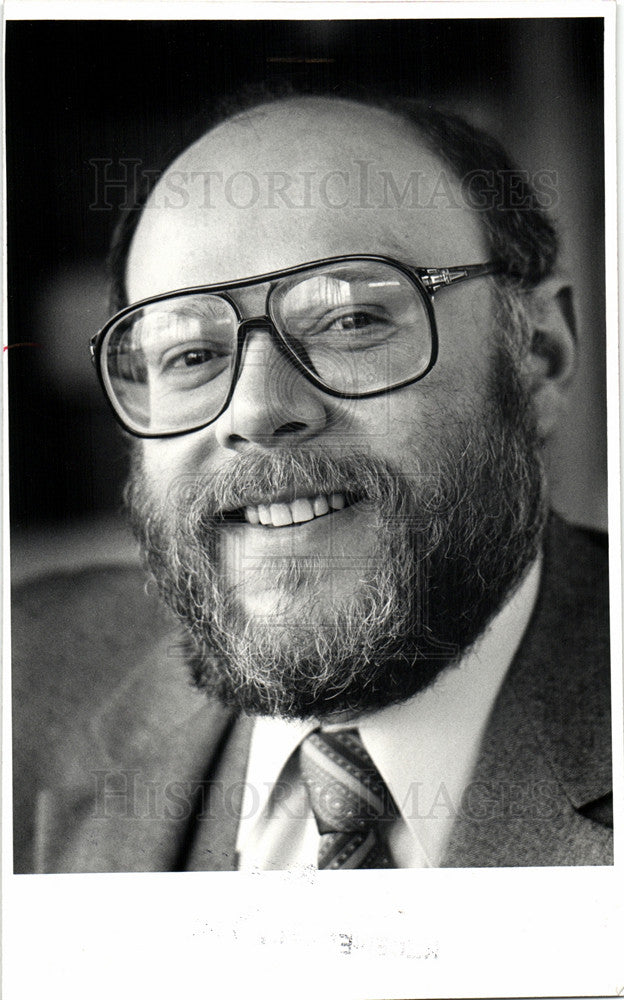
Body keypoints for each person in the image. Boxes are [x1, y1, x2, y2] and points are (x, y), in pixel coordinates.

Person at [12, 93, 612, 873]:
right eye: (190, 355)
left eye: (352, 321)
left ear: (540, 355)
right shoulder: (24, 676)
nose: (258, 410)